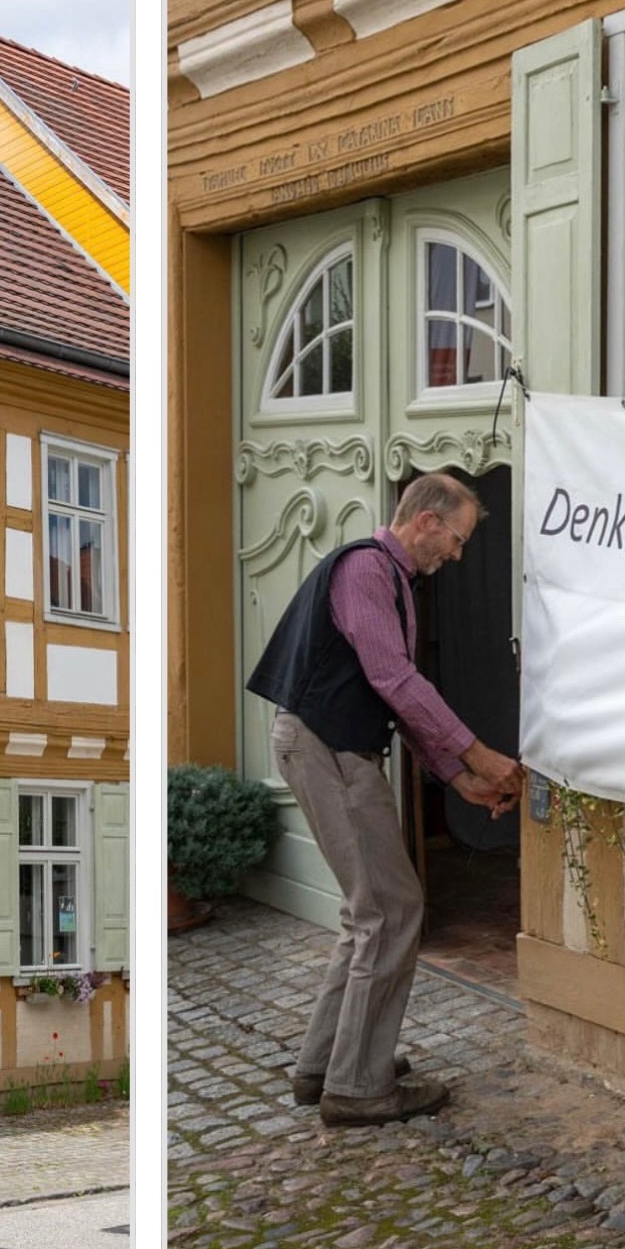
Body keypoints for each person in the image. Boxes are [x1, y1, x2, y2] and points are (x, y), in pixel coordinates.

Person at [247, 472, 523, 1127]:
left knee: (367, 911)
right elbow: (394, 679)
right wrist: (480, 756)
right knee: (393, 910)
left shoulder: (392, 580)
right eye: (456, 539)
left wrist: (457, 776)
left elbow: (394, 694)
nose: (457, 554)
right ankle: (358, 1087)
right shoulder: (368, 569)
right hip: (328, 747)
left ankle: (326, 1065)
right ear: (426, 521)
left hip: (329, 745)